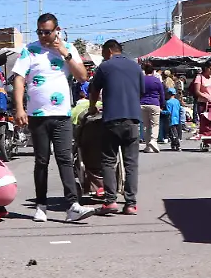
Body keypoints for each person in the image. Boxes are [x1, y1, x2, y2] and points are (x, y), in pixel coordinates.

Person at [11, 13, 95, 223]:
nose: (42, 35)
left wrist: (64, 53)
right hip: (37, 115)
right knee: (41, 160)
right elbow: (19, 80)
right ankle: (40, 206)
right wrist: (19, 108)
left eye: (46, 32)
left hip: (62, 115)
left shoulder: (68, 49)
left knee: (65, 159)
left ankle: (73, 206)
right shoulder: (30, 50)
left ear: (57, 29)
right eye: (39, 31)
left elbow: (82, 76)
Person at [88, 40, 143, 215]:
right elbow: (140, 91)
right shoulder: (135, 67)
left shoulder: (105, 67)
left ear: (110, 50)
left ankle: (110, 201)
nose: (103, 56)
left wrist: (91, 107)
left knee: (109, 161)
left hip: (111, 120)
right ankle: (130, 204)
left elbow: (94, 90)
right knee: (131, 164)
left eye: (103, 52)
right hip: (132, 120)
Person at [192, 63, 211, 146]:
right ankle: (206, 141)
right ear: (206, 68)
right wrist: (205, 96)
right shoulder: (199, 77)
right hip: (203, 103)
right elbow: (197, 91)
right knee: (205, 122)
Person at [140, 63, 164, 153]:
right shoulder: (156, 80)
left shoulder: (141, 80)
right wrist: (162, 104)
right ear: (153, 71)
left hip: (142, 103)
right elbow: (162, 93)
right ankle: (153, 140)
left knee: (146, 125)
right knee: (155, 124)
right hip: (154, 103)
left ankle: (147, 146)